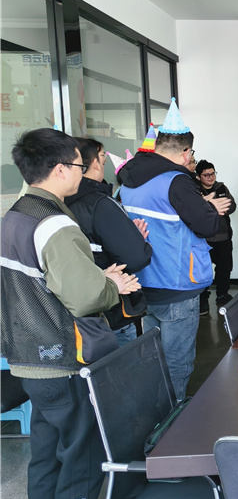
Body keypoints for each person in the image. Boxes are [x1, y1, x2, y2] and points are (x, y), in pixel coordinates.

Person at [1, 128, 140, 499]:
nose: (84, 172)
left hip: (27, 359)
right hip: (63, 358)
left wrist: (95, 278)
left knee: (45, 456)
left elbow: (39, 281)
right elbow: (84, 297)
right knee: (82, 458)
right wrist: (111, 285)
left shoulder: (13, 217)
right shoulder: (54, 223)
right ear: (60, 169)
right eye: (80, 165)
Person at [119, 100, 228, 400]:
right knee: (178, 363)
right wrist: (211, 208)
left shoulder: (128, 180)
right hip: (177, 282)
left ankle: (154, 413)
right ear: (185, 152)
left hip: (143, 282)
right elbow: (208, 226)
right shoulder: (177, 181)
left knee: (154, 359)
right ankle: (173, 418)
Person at [66, 138, 152, 345]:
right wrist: (137, 241)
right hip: (110, 313)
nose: (104, 162)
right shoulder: (100, 204)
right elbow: (136, 258)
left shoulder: (58, 203)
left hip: (74, 313)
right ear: (94, 162)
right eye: (102, 156)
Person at [195, 159, 236, 310]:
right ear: (198, 176)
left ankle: (222, 294)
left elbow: (232, 205)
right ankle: (202, 298)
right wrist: (212, 207)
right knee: (202, 270)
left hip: (223, 236)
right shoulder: (194, 190)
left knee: (224, 268)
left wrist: (223, 208)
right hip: (202, 238)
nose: (211, 177)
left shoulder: (221, 188)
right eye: (206, 175)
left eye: (213, 173)